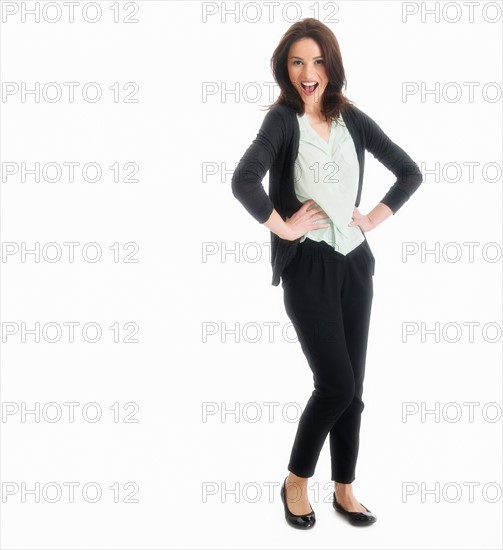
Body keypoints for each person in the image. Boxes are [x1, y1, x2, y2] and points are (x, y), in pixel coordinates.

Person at [231, 18, 423, 529]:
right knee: (334, 385)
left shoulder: (351, 118)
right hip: (309, 267)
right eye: (297, 61)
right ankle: (296, 479)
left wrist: (372, 219)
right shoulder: (281, 121)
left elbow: (410, 171)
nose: (308, 72)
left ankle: (344, 487)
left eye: (317, 61)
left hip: (355, 261)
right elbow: (243, 179)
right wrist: (284, 229)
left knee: (354, 391)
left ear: (331, 66)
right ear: (285, 68)